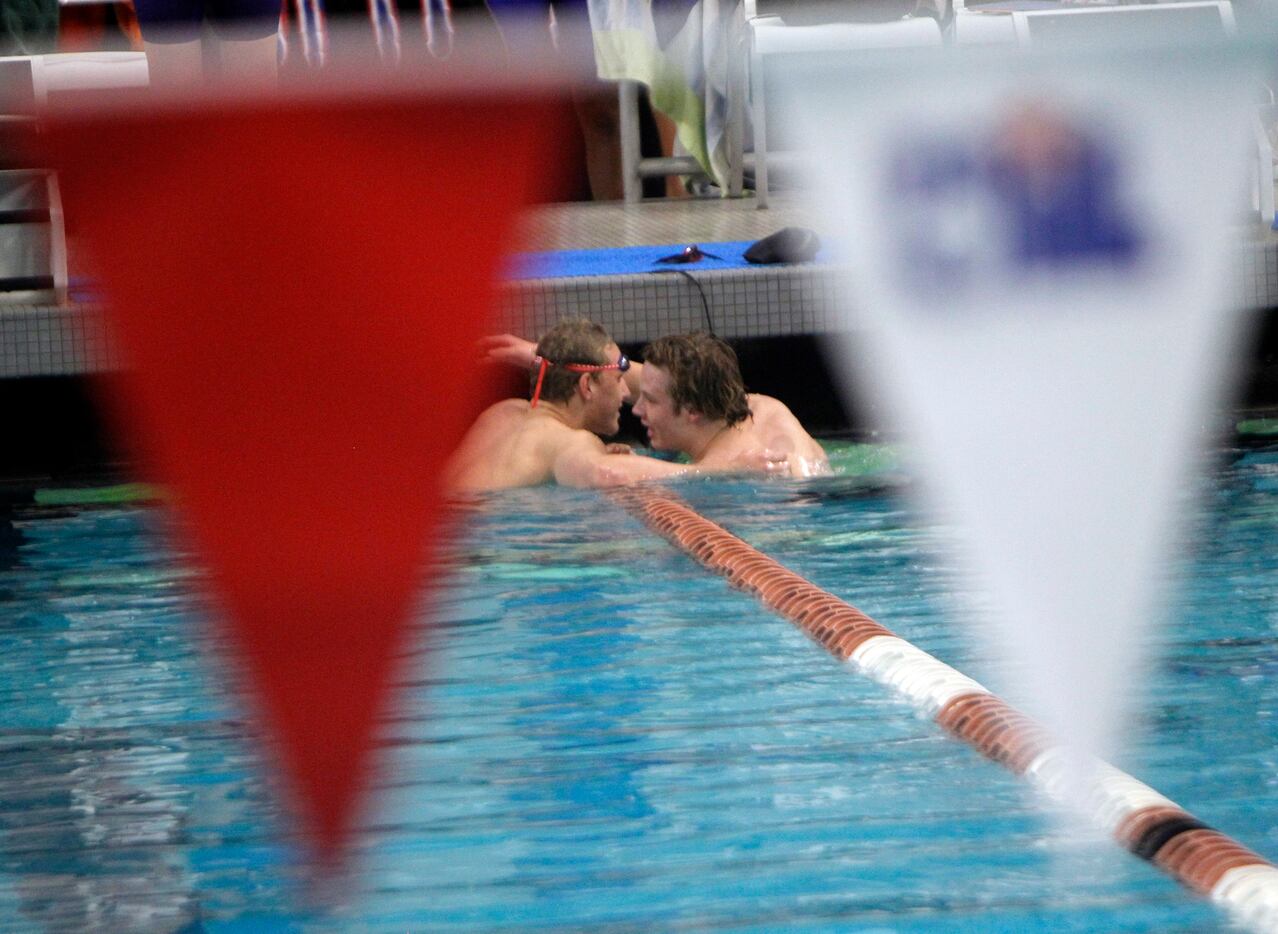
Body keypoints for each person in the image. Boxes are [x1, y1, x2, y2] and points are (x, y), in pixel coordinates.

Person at [448, 319, 789, 492]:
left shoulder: (503, 412)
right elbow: (605, 474)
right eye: (618, 378)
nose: (627, 393)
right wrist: (721, 469)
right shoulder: (571, 442)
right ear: (587, 385)